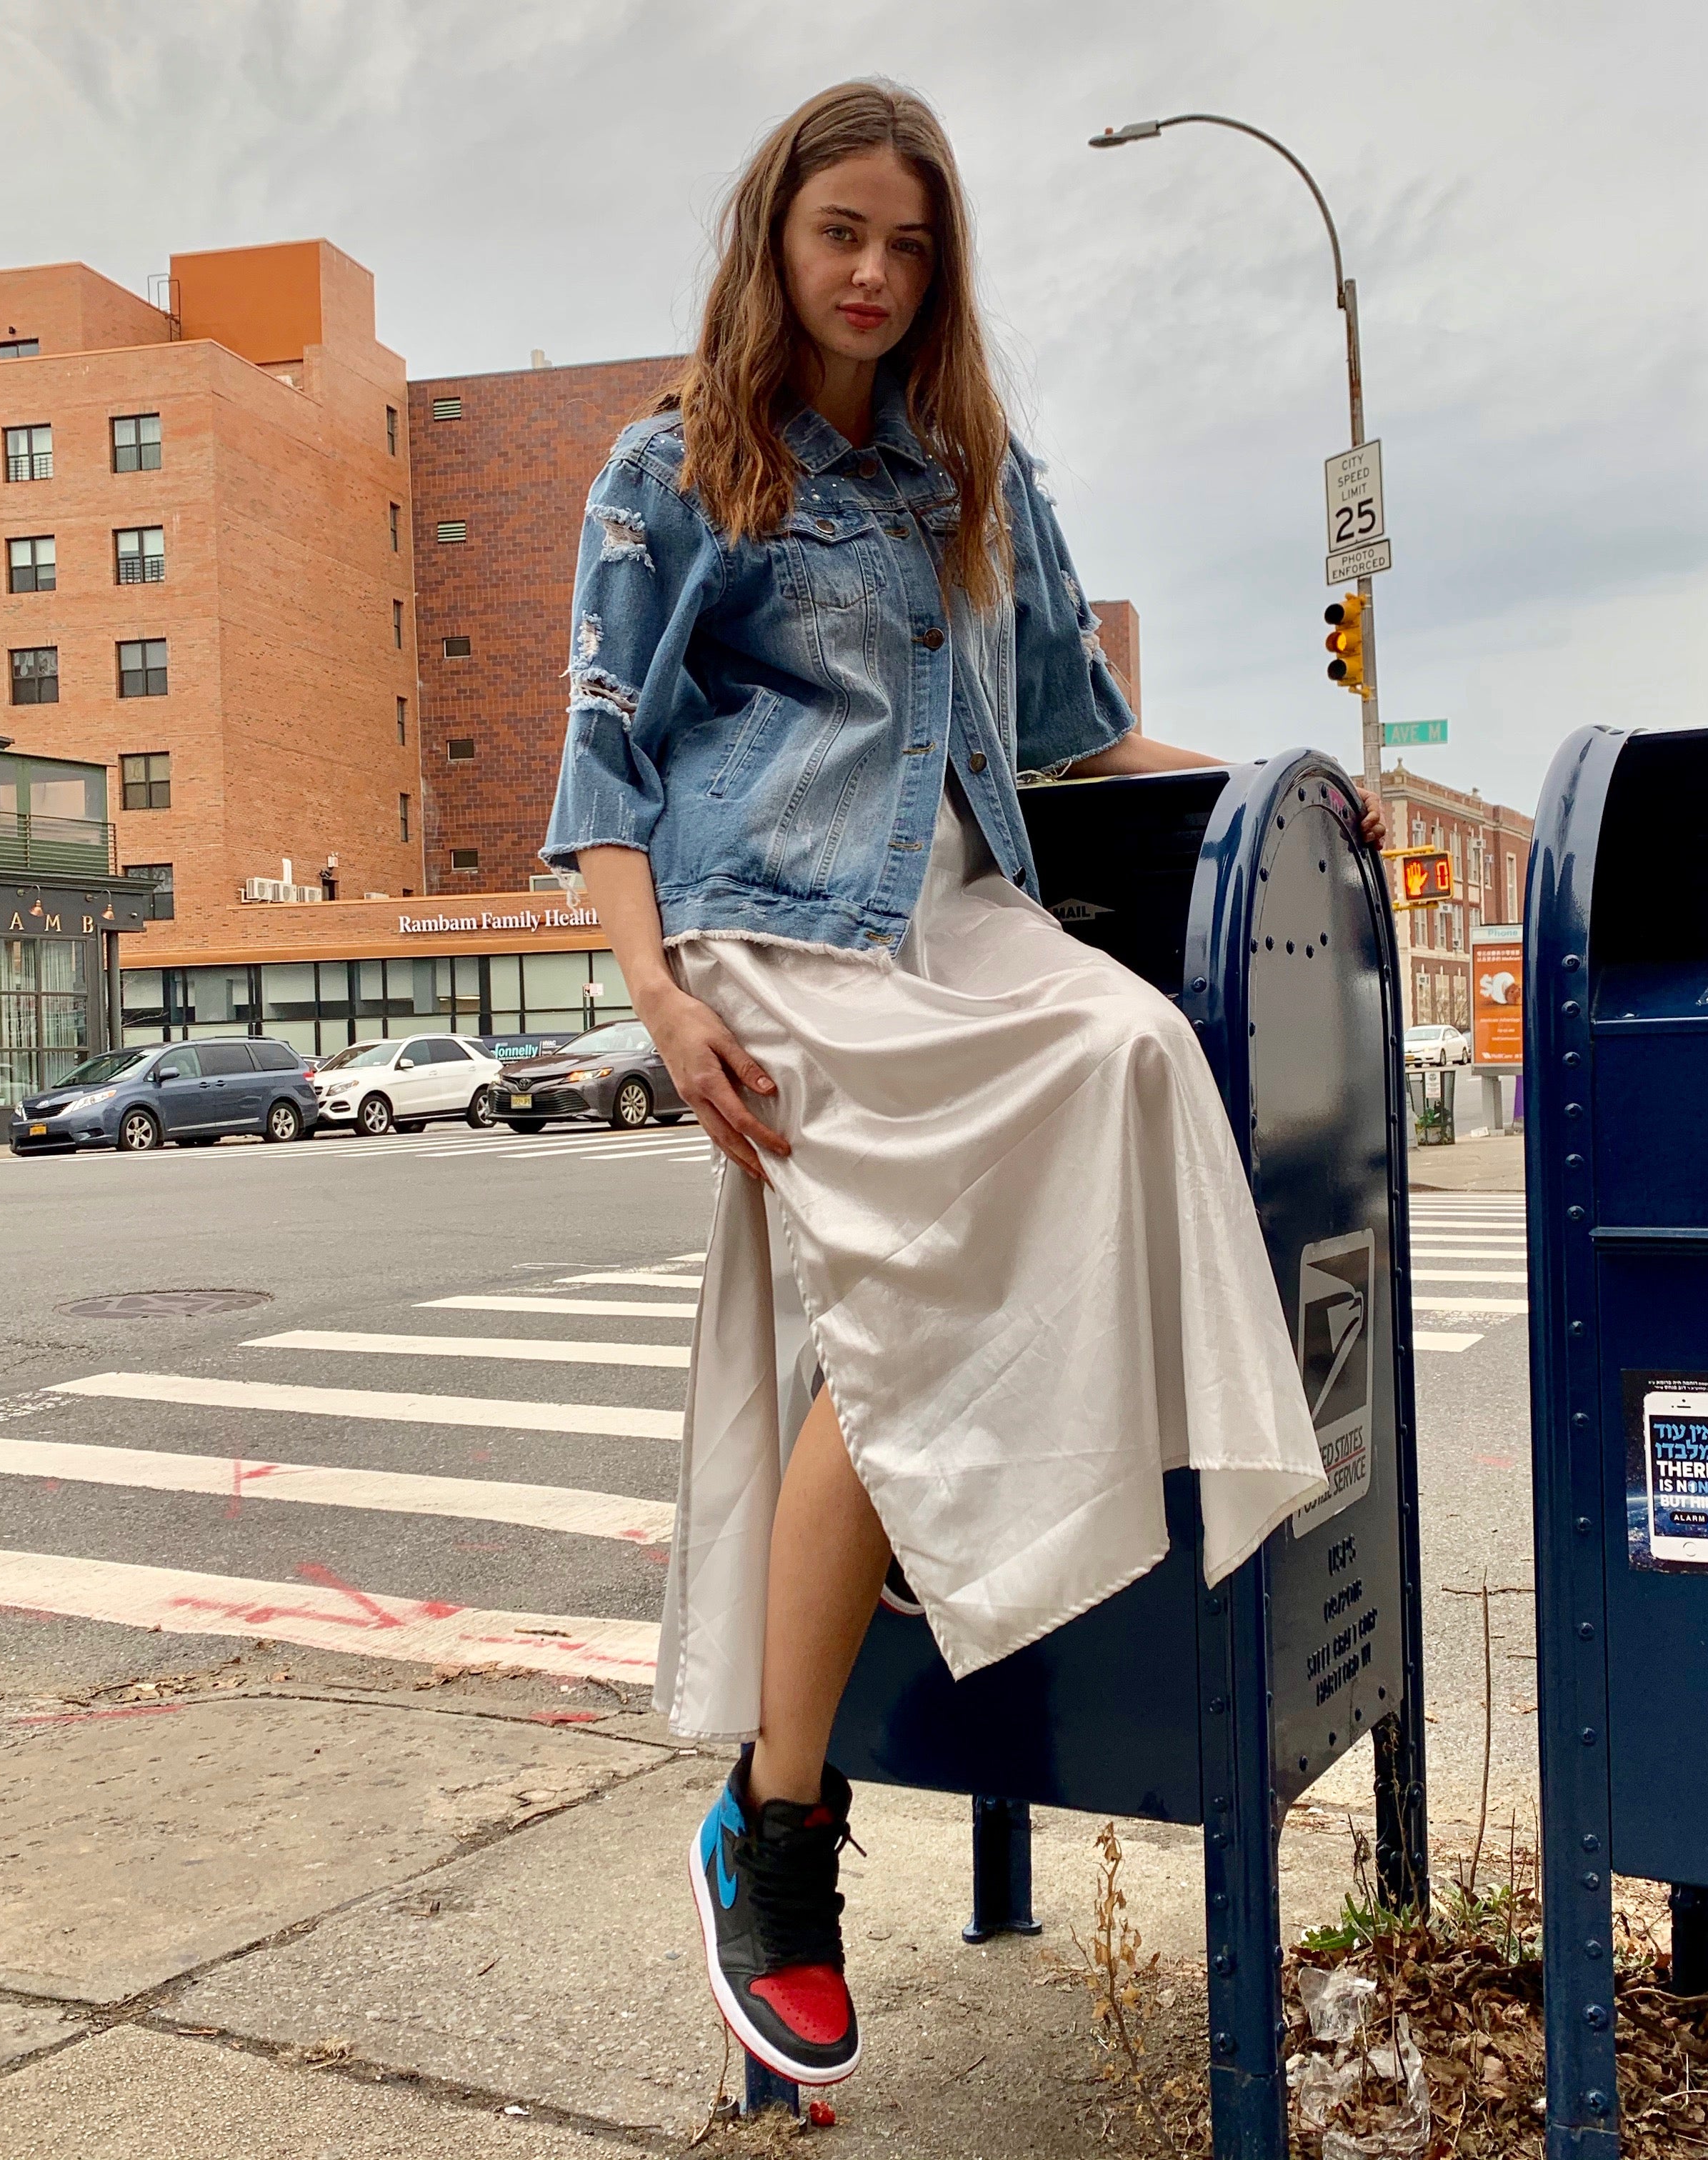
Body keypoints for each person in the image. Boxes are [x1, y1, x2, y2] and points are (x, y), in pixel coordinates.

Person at [542, 79, 1384, 2090]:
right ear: (775, 238)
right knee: (904, 1328)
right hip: (775, 930)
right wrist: (658, 998)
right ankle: (781, 1818)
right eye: (841, 232)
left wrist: (1297, 796)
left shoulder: (981, 478)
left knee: (1137, 1050)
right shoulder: (673, 472)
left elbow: (1082, 739)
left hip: (964, 920)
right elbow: (604, 767)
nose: (873, 274)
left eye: (910, 246)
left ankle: (913, 1580)